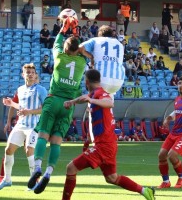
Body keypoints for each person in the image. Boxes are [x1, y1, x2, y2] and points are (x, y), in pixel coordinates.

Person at [61, 69, 156, 200]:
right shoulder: (94, 94)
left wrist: (90, 100)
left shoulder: (101, 94)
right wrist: (72, 102)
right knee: (112, 178)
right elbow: (85, 98)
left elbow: (110, 103)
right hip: (108, 144)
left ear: (87, 81)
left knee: (71, 168)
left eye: (84, 80)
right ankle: (144, 191)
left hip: (104, 146)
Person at [27, 9, 91, 194]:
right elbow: (77, 47)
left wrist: (65, 28)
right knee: (56, 141)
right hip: (68, 105)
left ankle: (37, 167)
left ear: (65, 48)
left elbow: (57, 42)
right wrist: (76, 31)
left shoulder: (59, 56)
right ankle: (48, 173)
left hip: (53, 99)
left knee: (42, 135)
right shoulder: (81, 63)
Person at [0, 63, 48, 190]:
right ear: (23, 75)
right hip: (21, 125)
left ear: (35, 75)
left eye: (32, 72)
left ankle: (34, 182)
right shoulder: (20, 89)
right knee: (8, 149)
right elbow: (21, 107)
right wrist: (11, 104)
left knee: (29, 150)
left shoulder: (41, 89)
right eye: (27, 72)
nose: (30, 74)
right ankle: (7, 180)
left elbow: (46, 109)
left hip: (34, 126)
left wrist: (28, 112)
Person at [79, 25, 125, 96]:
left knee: (89, 68)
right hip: (118, 81)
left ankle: (91, 103)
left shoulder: (96, 40)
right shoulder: (120, 44)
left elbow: (80, 48)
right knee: (107, 101)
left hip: (101, 80)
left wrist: (91, 57)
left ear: (99, 34)